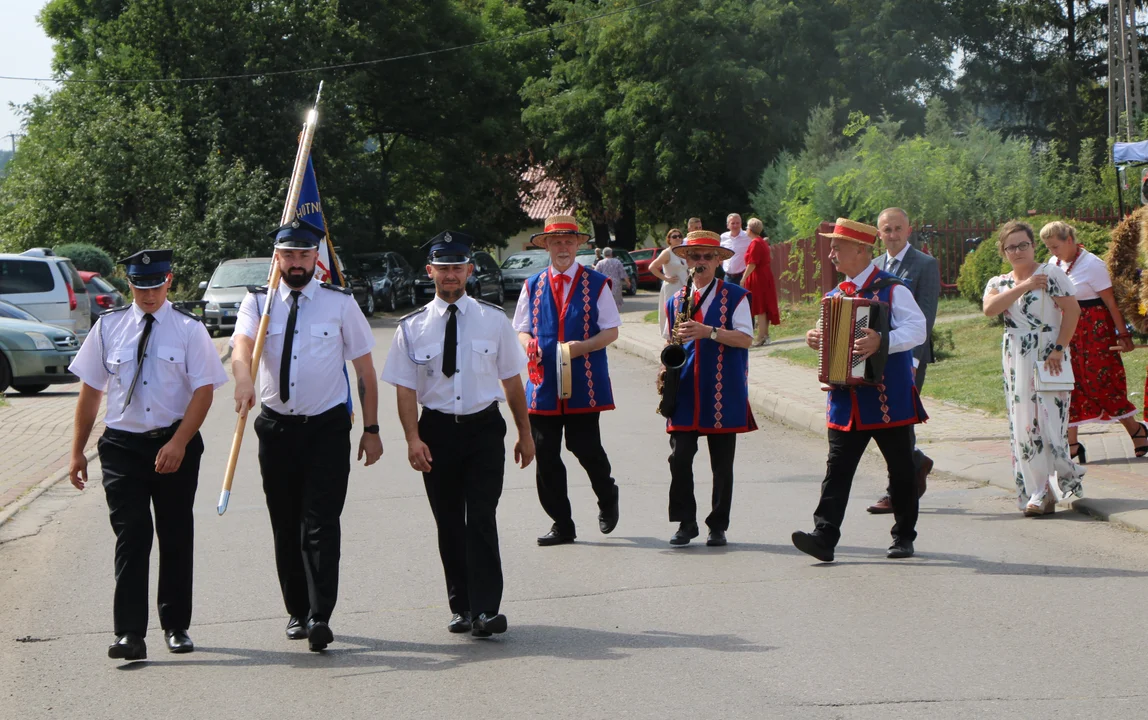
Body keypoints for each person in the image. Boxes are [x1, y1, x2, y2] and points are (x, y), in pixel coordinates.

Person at [231, 218, 383, 652]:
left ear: (317, 257)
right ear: (275, 259)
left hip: (326, 428)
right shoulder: (258, 303)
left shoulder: (339, 303)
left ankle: (320, 615)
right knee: (285, 523)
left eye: (304, 254)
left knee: (320, 522)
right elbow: (242, 347)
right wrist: (243, 379)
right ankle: (296, 611)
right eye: (288, 255)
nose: (296, 263)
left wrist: (371, 429)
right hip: (276, 429)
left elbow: (365, 370)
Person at [68, 249, 228, 661]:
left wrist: (178, 443)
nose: (149, 294)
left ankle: (176, 625)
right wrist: (77, 452)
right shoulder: (109, 328)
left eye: (156, 286)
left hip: (176, 439)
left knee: (174, 531)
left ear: (168, 281)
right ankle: (129, 635)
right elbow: (90, 393)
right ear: (130, 286)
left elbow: (204, 391)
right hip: (123, 446)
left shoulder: (189, 330)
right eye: (141, 287)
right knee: (133, 533)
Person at [382, 231, 534, 638]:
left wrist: (525, 432)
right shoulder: (412, 327)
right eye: (443, 268)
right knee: (449, 522)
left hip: (484, 429)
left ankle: (487, 610)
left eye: (457, 268)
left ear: (470, 270)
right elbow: (405, 388)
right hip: (437, 432)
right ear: (430, 271)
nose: (450, 276)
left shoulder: (493, 320)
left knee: (481, 517)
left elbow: (512, 382)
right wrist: (413, 439)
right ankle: (461, 607)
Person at [792, 218, 927, 562]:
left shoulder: (893, 289)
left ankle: (903, 536)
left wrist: (884, 341)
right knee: (836, 470)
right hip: (846, 401)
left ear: (861, 250)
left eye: (837, 247)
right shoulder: (835, 296)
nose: (831, 253)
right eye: (831, 247)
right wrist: (815, 339)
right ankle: (824, 537)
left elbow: (918, 330)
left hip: (886, 397)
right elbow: (829, 338)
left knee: (900, 469)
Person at [513, 214, 622, 546]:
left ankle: (607, 495)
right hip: (543, 380)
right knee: (545, 452)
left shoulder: (595, 282)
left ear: (578, 245)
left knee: (585, 446)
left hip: (584, 380)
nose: (562, 247)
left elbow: (611, 331)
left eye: (568, 241)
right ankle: (562, 523)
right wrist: (528, 344)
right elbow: (521, 328)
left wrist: (582, 348)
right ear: (546, 246)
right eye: (556, 241)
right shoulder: (532, 285)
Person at [662, 230, 756, 547]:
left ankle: (718, 525)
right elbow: (669, 341)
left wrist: (708, 331)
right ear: (686, 260)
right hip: (685, 389)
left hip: (722, 389)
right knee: (679, 459)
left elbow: (745, 339)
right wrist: (664, 369)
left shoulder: (736, 296)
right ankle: (686, 523)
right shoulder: (676, 300)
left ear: (718, 260)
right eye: (695, 256)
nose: (700, 262)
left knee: (721, 465)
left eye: (707, 256)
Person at [983, 221, 1084, 515]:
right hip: (1016, 358)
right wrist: (1025, 286)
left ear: (1032, 245)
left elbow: (1073, 311)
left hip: (1050, 355)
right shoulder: (998, 282)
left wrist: (1059, 348)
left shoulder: (1051, 274)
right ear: (1003, 251)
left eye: (1023, 244)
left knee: (1052, 425)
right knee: (1025, 426)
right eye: (1011, 246)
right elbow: (990, 309)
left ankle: (1065, 478)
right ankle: (1038, 492)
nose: (1018, 251)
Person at [1040, 221, 1147, 461]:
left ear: (1070, 240)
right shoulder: (1053, 264)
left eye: (1055, 246)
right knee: (1070, 386)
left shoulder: (1092, 264)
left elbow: (1110, 303)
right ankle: (1072, 444)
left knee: (1103, 383)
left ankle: (1136, 430)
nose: (1052, 252)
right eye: (1048, 247)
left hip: (1095, 332)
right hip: (1067, 333)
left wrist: (1124, 334)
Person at [866, 207, 941, 514]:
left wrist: (912, 361)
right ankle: (915, 464)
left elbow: (925, 316)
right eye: (887, 230)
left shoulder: (924, 264)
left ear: (909, 231)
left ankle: (896, 491)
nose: (893, 235)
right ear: (879, 233)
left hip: (908, 357)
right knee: (882, 420)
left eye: (898, 229)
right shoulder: (873, 266)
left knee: (901, 421)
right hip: (876, 356)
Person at [741, 218, 780, 346]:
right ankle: (765, 334)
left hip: (758, 276)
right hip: (764, 275)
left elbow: (752, 263)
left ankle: (761, 337)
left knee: (761, 307)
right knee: (764, 305)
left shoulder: (755, 243)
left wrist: (743, 278)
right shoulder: (762, 242)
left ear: (750, 229)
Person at [649, 228, 690, 336]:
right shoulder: (667, 253)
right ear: (669, 239)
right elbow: (652, 267)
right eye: (674, 237)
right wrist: (665, 278)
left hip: (684, 285)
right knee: (672, 311)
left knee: (684, 311)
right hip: (672, 286)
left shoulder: (683, 251)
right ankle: (670, 337)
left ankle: (681, 336)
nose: (677, 238)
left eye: (679, 236)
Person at [720, 213, 752, 286]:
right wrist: (724, 266)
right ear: (728, 225)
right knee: (728, 297)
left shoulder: (747, 236)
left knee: (743, 297)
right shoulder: (723, 237)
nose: (735, 225)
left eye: (737, 223)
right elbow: (719, 254)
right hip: (727, 277)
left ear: (741, 224)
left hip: (743, 276)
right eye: (733, 223)